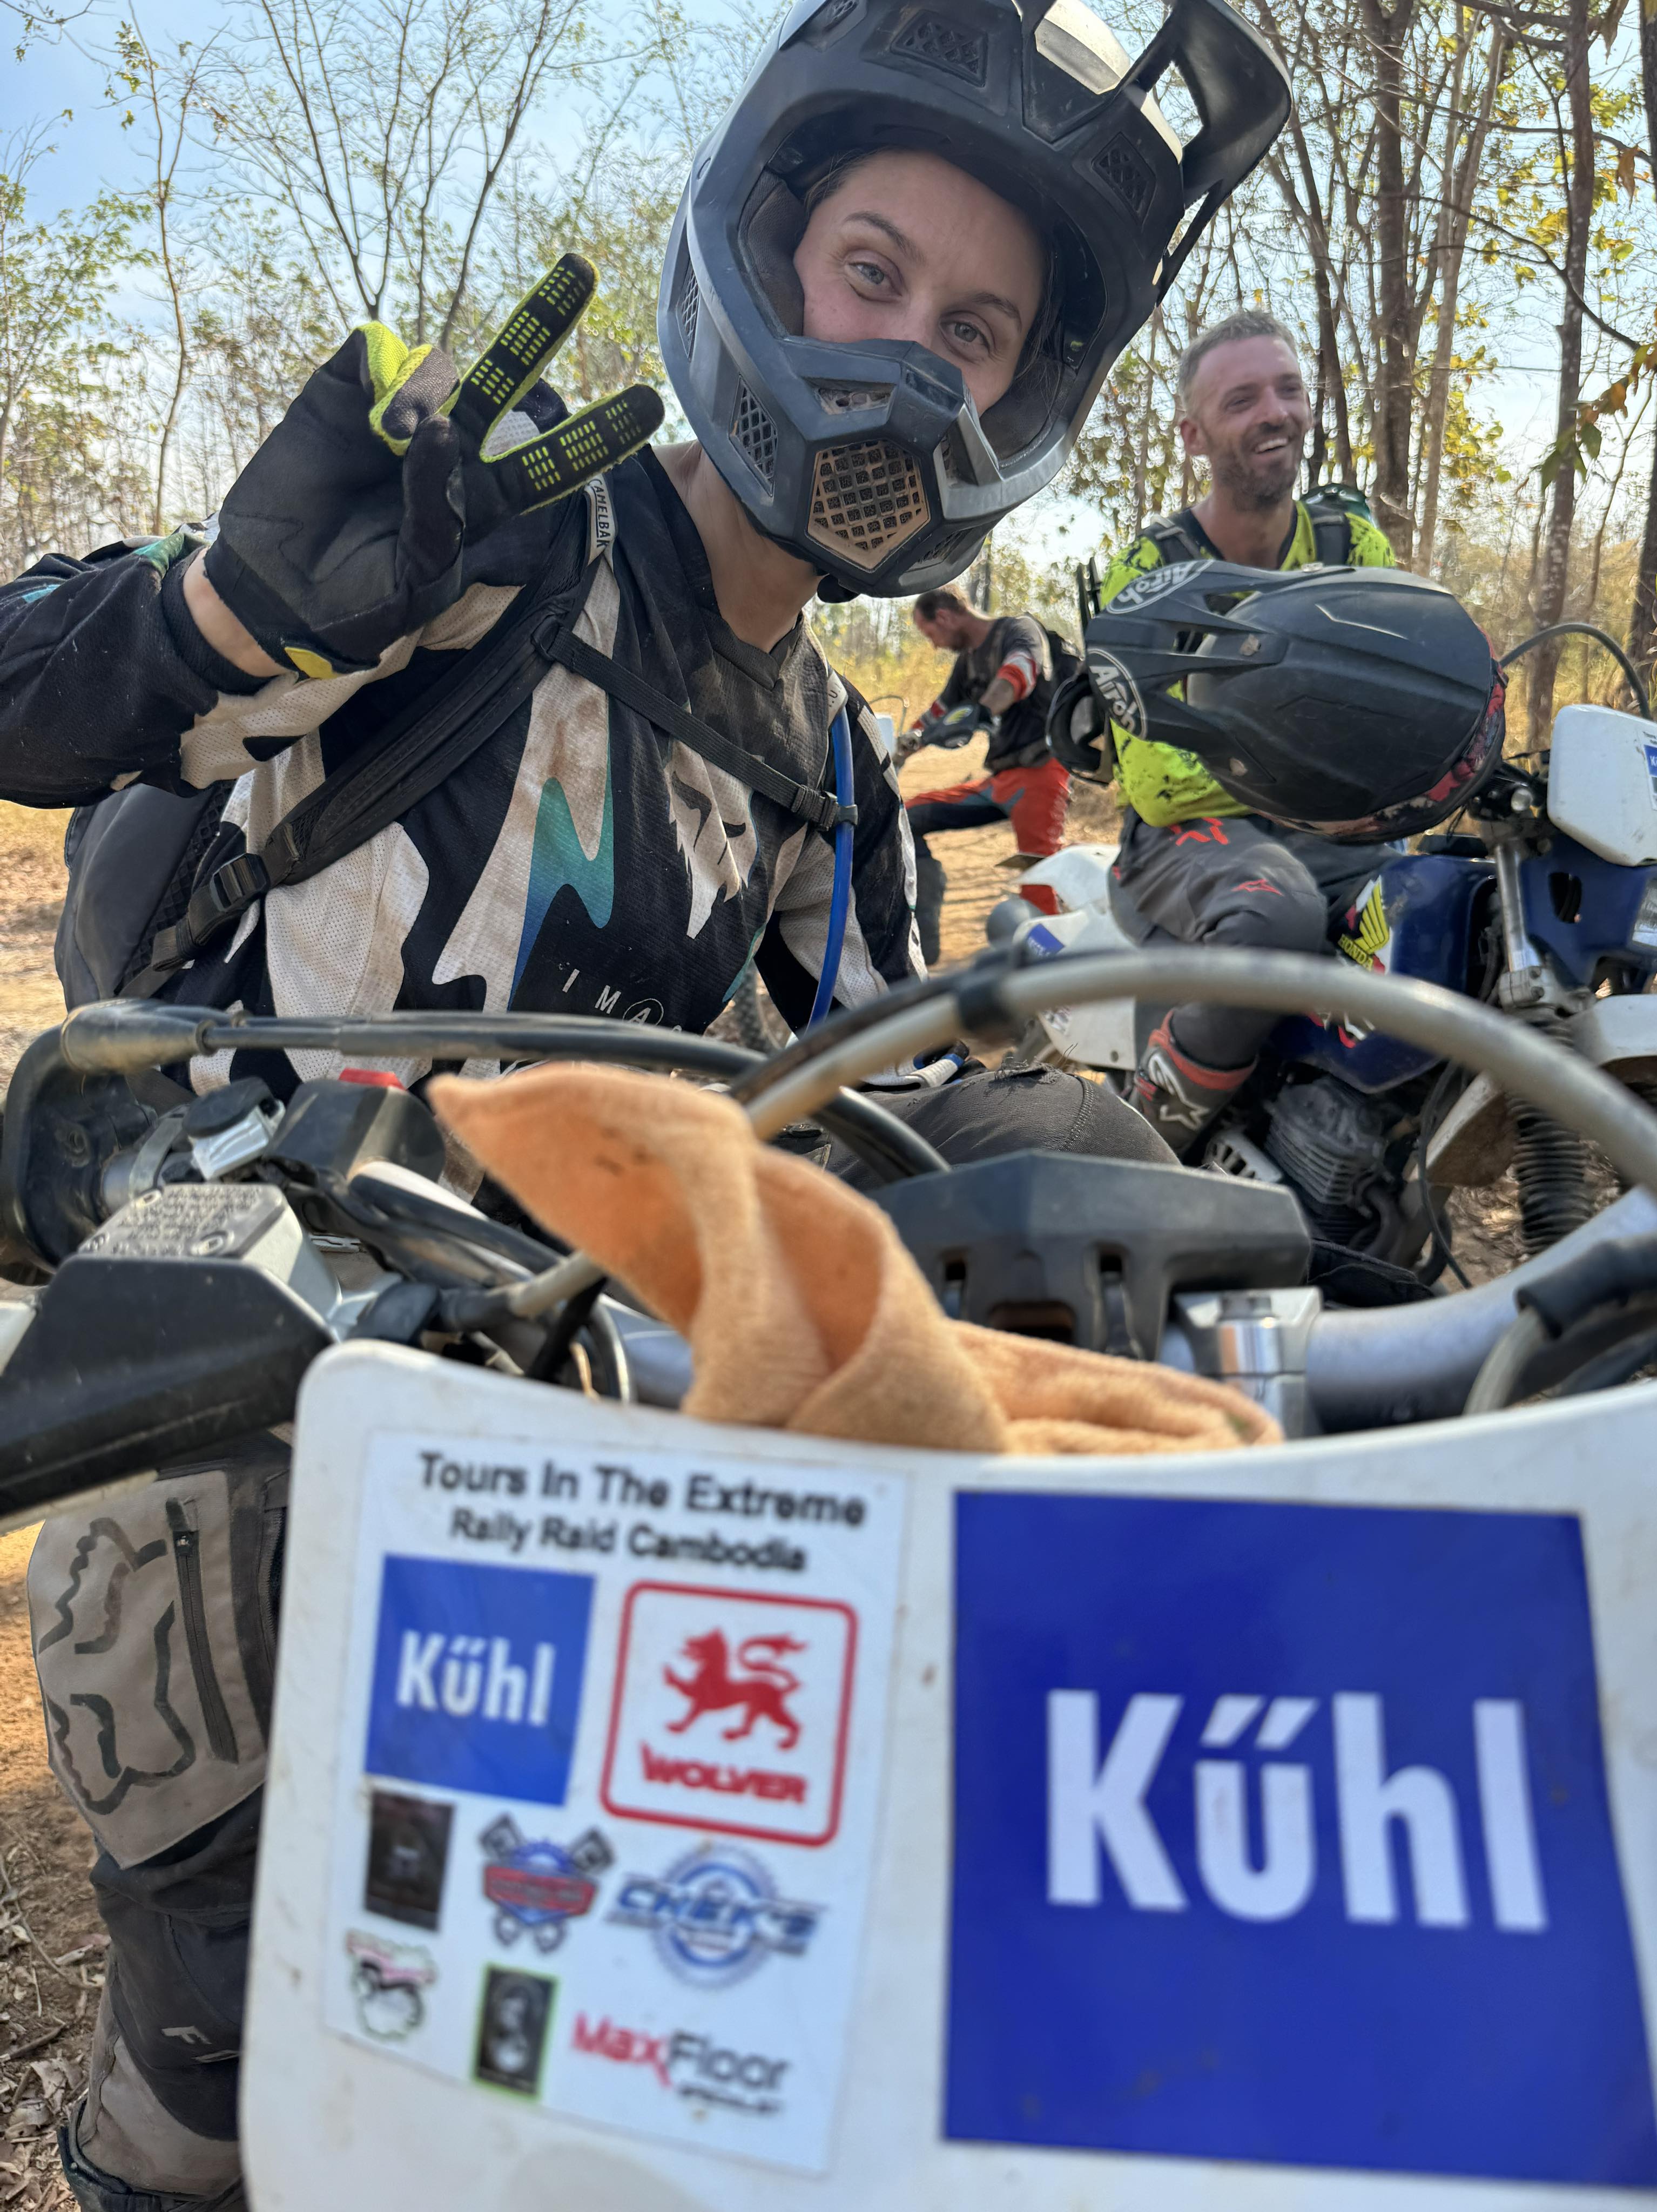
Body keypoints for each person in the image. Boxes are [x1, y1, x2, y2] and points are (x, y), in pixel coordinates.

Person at [3, 3, 1289, 2204]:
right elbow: (36, 699)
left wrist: (1120, 1171)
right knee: (221, 2094)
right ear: (767, 256)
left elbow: (892, 1100)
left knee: (634, 2034)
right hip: (244, 1388)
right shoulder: (482, 542)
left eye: (975, 329)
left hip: (566, 1435)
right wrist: (225, 612)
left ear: (1024, 398)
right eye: (874, 272)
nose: (914, 360)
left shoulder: (827, 758)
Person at [1072, 307, 1398, 1156]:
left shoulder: (1352, 544)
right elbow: (1155, 781)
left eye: (1288, 390)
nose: (1275, 413)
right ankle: (1139, 1146)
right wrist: (1323, 773)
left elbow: (1408, 701)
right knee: (1276, 918)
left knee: (1447, 907)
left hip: (1337, 829)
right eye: (1242, 399)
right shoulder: (1152, 572)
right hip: (1183, 840)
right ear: (1193, 435)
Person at [898, 585, 1069, 964]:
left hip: (1040, 774)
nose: (934, 645)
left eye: (930, 634)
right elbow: (940, 711)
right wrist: (897, 750)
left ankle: (1054, 974)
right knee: (907, 817)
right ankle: (923, 931)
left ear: (945, 617)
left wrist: (986, 710)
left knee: (1039, 877)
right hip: (1000, 781)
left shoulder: (1018, 630)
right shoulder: (969, 662)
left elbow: (1020, 671)